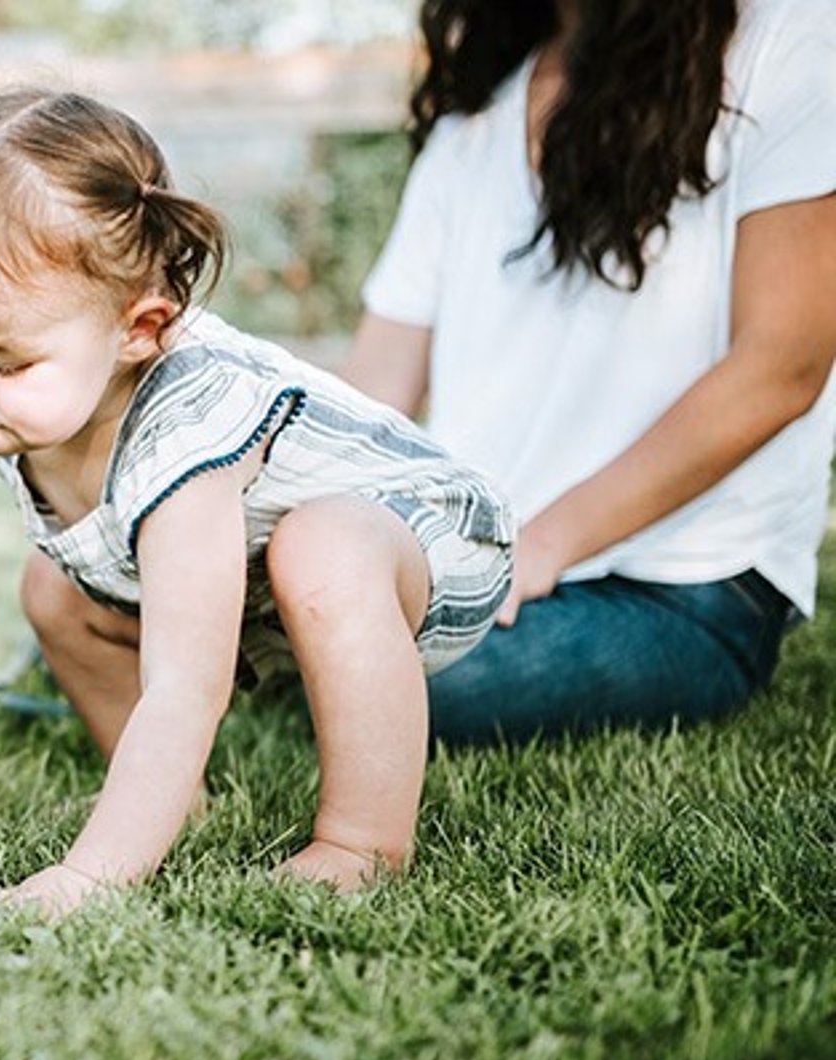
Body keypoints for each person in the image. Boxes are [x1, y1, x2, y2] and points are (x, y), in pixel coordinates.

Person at [0, 87, 516, 910]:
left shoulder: (188, 430)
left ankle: (359, 839)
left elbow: (185, 685)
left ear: (139, 329)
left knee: (322, 552)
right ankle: (175, 803)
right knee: (53, 589)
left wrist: (87, 877)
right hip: (259, 574)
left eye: (3, 362)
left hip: (424, 540)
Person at [342, 0, 836, 744]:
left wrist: (543, 544)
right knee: (309, 626)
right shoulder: (473, 124)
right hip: (475, 571)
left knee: (386, 678)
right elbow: (373, 389)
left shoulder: (792, 44)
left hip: (687, 587)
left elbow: (781, 368)